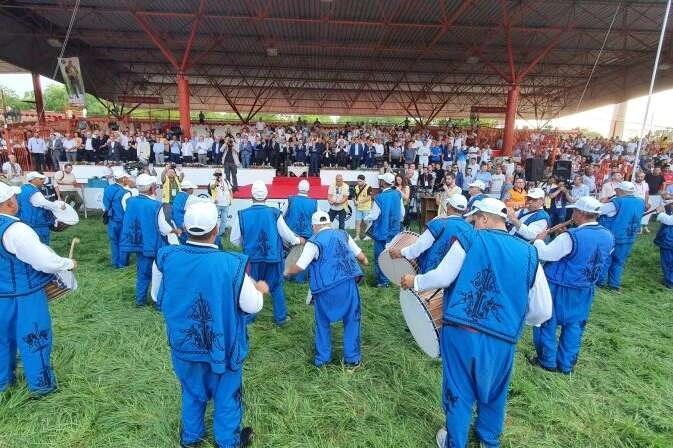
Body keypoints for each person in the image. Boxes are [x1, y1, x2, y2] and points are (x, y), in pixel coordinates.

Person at [400, 197, 551, 448]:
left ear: (484, 218)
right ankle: (488, 440)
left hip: (461, 330)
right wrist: (510, 319)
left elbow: (443, 276)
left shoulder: (471, 238)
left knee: (458, 389)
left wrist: (414, 281)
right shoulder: (529, 253)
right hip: (502, 338)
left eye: (475, 220)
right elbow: (542, 311)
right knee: (494, 392)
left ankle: (455, 442)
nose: (473, 224)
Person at [152, 201, 265, 448]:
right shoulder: (232, 264)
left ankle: (191, 438)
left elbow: (156, 295)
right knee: (227, 395)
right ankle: (228, 441)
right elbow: (253, 305)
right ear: (216, 228)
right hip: (222, 347)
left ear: (185, 227)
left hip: (184, 345)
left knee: (192, 391)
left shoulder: (166, 256)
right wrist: (258, 289)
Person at [0, 182, 76, 396]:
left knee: (1, 340)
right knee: (35, 339)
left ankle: (3, 385)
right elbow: (44, 262)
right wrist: (67, 263)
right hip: (24, 295)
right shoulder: (16, 230)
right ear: (9, 203)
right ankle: (41, 386)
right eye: (14, 198)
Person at [529, 196, 614, 374]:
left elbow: (546, 254)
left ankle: (547, 361)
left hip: (559, 286)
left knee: (547, 323)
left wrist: (539, 240)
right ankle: (566, 364)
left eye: (574, 210)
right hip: (585, 287)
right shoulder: (608, 235)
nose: (572, 213)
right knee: (575, 325)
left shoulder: (571, 236)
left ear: (580, 213)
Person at [284, 210, 368, 368]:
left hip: (326, 288)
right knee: (352, 319)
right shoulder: (343, 234)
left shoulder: (313, 242)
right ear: (329, 223)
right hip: (349, 283)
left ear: (314, 226)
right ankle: (352, 359)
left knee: (322, 322)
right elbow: (360, 255)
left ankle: (322, 359)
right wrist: (365, 261)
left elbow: (300, 266)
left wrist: (287, 271)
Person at [230, 181, 303, 325]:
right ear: (267, 195)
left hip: (252, 258)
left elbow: (234, 239)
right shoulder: (274, 213)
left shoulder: (242, 214)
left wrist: (247, 244)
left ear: (251, 195)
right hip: (273, 257)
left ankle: (249, 318)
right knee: (276, 287)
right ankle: (280, 318)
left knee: (251, 288)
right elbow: (286, 234)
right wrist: (297, 240)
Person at [120, 174, 176, 307]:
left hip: (137, 242)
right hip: (153, 245)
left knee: (142, 273)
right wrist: (175, 230)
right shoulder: (156, 205)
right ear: (152, 188)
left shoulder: (131, 201)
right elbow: (163, 228)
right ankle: (158, 302)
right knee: (159, 274)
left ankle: (140, 301)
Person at [390, 194, 470, 274]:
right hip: (456, 274)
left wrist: (402, 252)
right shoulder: (470, 229)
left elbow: (421, 245)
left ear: (448, 206)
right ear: (465, 211)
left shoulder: (439, 223)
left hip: (432, 272)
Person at [598, 181, 645, 290]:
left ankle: (600, 282)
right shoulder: (640, 202)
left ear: (621, 190)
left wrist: (603, 202)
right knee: (619, 261)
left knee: (606, 259)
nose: (616, 192)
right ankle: (614, 285)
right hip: (630, 236)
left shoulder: (617, 202)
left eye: (617, 190)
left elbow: (599, 211)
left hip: (614, 236)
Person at [368, 172, 404, 287]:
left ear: (383, 183)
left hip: (381, 231)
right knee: (392, 255)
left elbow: (374, 215)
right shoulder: (398, 194)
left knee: (380, 256)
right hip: (394, 230)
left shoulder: (379, 197)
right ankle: (392, 277)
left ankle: (382, 281)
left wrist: (366, 218)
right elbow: (402, 213)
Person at [283, 179, 318, 283]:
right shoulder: (314, 203)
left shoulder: (290, 200)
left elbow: (281, 215)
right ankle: (300, 277)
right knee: (305, 255)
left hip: (290, 235)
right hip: (307, 236)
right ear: (309, 189)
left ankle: (286, 273)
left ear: (298, 188)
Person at [17, 172, 66, 245]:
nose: (43, 180)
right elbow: (45, 204)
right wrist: (59, 206)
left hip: (24, 221)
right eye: (40, 179)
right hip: (37, 223)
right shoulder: (34, 192)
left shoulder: (23, 188)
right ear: (33, 180)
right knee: (42, 244)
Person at [103, 170, 131, 268]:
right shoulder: (125, 193)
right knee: (123, 241)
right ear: (123, 179)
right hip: (122, 221)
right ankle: (122, 263)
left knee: (114, 241)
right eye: (126, 178)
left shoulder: (108, 189)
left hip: (111, 219)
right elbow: (127, 210)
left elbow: (105, 204)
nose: (128, 179)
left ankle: (115, 262)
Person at [171, 180, 200, 244]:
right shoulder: (187, 197)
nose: (193, 190)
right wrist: (182, 225)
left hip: (176, 222)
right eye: (192, 189)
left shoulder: (178, 195)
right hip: (182, 224)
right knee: (186, 241)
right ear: (188, 189)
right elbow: (202, 201)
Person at [210, 169, 233, 246]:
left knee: (224, 220)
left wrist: (231, 199)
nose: (218, 176)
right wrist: (216, 182)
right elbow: (212, 187)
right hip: (217, 203)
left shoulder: (226, 181)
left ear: (222, 175)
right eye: (216, 174)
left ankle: (221, 233)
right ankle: (213, 233)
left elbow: (230, 190)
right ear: (214, 175)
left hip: (226, 203)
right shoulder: (212, 181)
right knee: (214, 219)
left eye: (219, 174)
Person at [654, 204, 673, 288]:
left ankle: (670, 281)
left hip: (669, 241)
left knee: (668, 261)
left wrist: (660, 212)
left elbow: (669, 221)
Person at [353, 174, 372, 240]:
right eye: (358, 181)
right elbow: (354, 196)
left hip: (366, 208)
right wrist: (354, 202)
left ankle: (369, 236)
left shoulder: (368, 187)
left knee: (367, 222)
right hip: (358, 208)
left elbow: (369, 197)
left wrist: (359, 202)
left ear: (364, 181)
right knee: (357, 222)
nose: (359, 182)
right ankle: (357, 236)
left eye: (360, 181)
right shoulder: (356, 187)